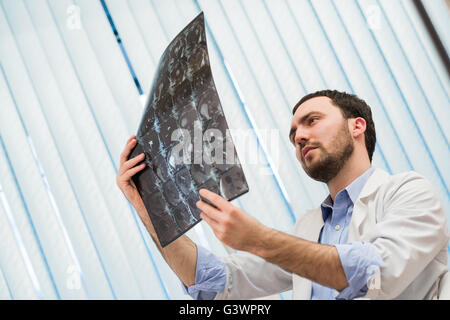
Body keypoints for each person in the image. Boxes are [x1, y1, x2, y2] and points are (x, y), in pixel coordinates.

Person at [116, 90, 449, 300]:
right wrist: (150, 207)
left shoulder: (408, 192)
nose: (299, 136)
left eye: (312, 121)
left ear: (356, 126)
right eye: (293, 135)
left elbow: (373, 272)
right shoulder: (308, 228)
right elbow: (216, 283)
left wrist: (259, 239)